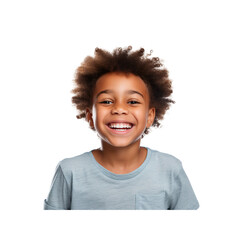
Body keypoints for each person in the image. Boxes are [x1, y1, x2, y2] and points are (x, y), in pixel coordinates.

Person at [44, 46, 199, 210]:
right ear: (90, 116)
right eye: (106, 101)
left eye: (132, 102)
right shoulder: (70, 172)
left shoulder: (170, 169)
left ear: (150, 116)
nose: (119, 109)